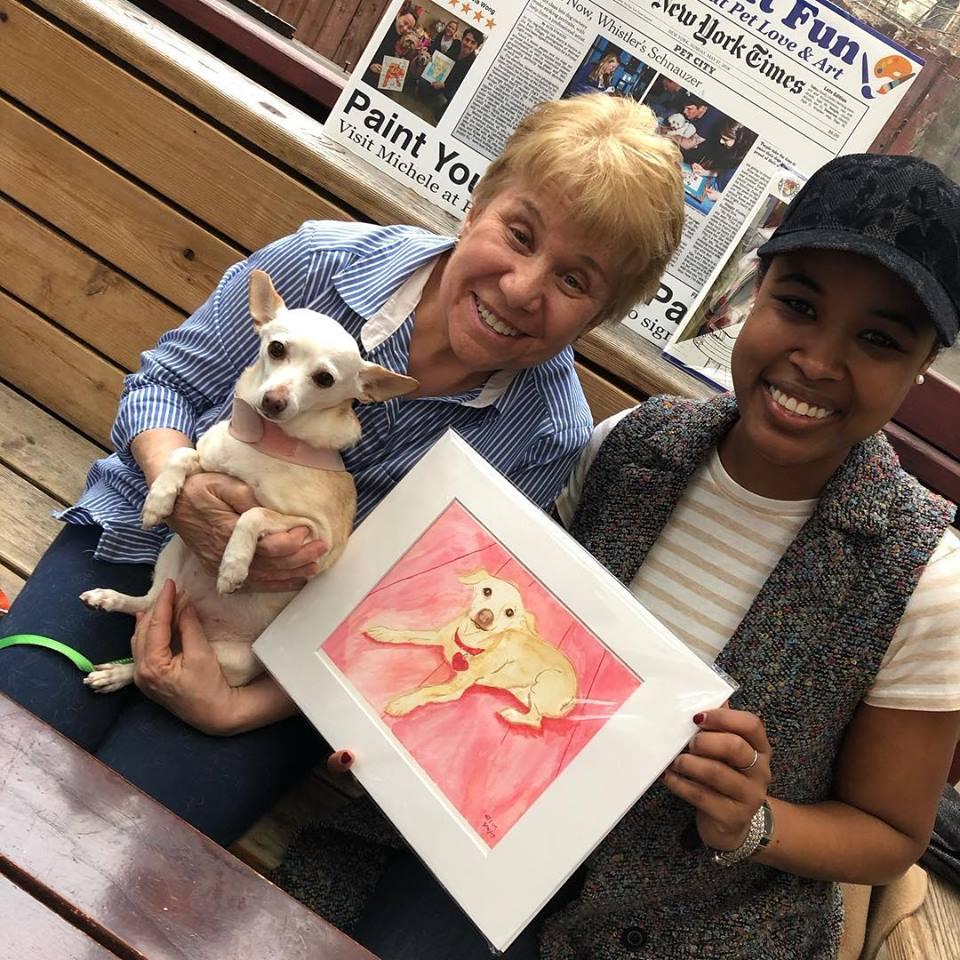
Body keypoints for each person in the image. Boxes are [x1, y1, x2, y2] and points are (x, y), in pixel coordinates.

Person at [276, 153, 960, 959]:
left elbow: (889, 836)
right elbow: (500, 623)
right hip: (485, 843)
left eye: (878, 339)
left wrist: (754, 821)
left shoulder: (923, 578)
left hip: (689, 922)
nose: (817, 360)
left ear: (921, 368)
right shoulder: (633, 447)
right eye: (799, 305)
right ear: (752, 297)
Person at [0, 95, 685, 848]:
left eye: (575, 282)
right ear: (476, 205)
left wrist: (234, 711)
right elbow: (165, 383)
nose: (523, 288)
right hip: (134, 548)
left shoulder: (548, 435)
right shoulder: (322, 264)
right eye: (519, 235)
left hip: (278, 660)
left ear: (599, 318)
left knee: (136, 848)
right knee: (15, 750)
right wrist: (186, 491)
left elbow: (406, 616)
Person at [420, 26, 482, 118]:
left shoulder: (474, 63)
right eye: (467, 40)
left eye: (473, 43)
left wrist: (445, 85)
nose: (468, 44)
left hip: (453, 87)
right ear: (462, 39)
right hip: (442, 77)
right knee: (423, 81)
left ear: (477, 46)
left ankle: (444, 111)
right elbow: (442, 61)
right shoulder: (454, 47)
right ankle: (428, 95)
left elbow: (463, 85)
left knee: (455, 96)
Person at [686, 119, 757, 198]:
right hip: (714, 183)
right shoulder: (734, 152)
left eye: (725, 139)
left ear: (739, 141)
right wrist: (706, 172)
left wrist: (719, 197)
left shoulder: (749, 162)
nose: (721, 141)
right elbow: (726, 172)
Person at [363, 9, 417, 85]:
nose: (405, 28)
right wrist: (370, 65)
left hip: (381, 79)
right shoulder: (383, 27)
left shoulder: (402, 39)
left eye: (409, 28)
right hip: (365, 72)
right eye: (405, 23)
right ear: (398, 15)